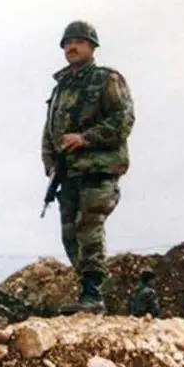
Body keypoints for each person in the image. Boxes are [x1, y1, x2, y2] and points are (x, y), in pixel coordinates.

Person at [41, 21, 135, 314]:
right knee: (69, 235)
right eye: (67, 42)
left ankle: (93, 294)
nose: (72, 47)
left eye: (79, 41)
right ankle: (88, 292)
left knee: (89, 226)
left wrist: (85, 138)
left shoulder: (107, 80)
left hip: (97, 169)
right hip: (68, 173)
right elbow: (50, 132)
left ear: (92, 47)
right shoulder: (60, 88)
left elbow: (123, 120)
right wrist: (50, 164)